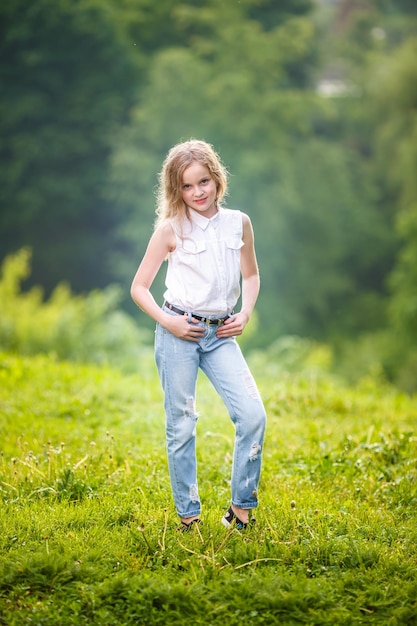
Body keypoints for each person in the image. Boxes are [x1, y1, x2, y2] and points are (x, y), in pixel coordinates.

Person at [130, 139, 266, 531]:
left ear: (217, 178)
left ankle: (239, 513)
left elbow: (252, 274)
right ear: (176, 190)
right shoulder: (171, 230)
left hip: (221, 334)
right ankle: (188, 517)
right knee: (182, 425)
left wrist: (245, 312)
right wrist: (168, 322)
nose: (198, 193)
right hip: (178, 333)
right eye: (187, 186)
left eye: (203, 181)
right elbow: (139, 287)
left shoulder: (238, 222)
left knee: (253, 416)